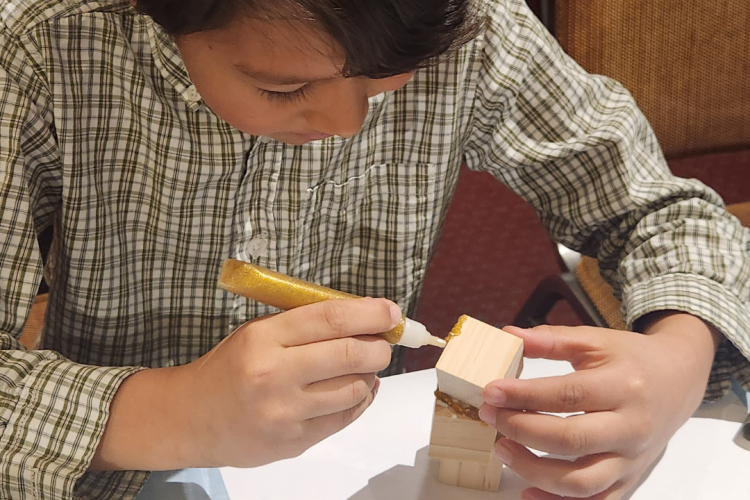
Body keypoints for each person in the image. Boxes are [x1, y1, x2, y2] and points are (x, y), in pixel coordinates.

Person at [1, 0, 748, 498]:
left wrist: (679, 357)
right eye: (285, 88)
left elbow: (660, 209)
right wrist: (172, 413)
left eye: (390, 79)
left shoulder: (473, 22)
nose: (348, 122)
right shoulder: (39, 46)